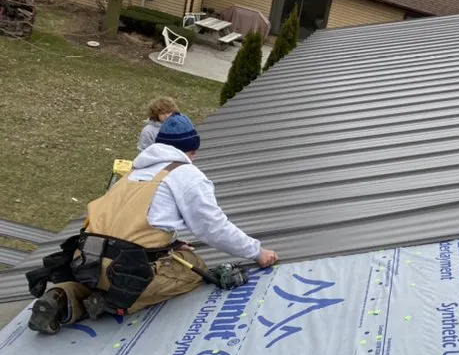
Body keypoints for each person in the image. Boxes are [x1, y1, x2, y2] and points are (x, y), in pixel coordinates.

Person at [27, 114, 279, 335]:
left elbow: (127, 226)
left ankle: (64, 295)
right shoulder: (186, 175)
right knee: (193, 267)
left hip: (86, 261)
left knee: (103, 274)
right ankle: (111, 303)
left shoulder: (132, 174)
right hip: (125, 272)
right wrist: (257, 253)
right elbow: (213, 227)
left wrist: (169, 244)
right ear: (191, 150)